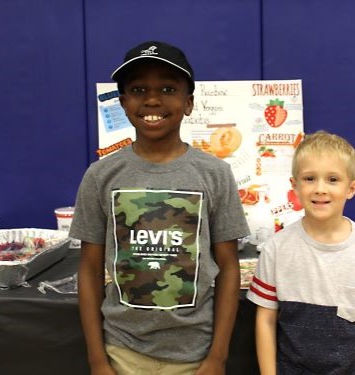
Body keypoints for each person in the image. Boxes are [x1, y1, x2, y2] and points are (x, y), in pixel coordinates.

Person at [69, 40, 250, 375]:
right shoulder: (101, 175)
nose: (152, 99)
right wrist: (97, 359)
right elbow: (89, 269)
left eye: (168, 88)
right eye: (138, 89)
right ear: (123, 103)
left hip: (195, 353)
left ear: (189, 102)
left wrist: (217, 358)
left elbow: (228, 269)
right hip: (121, 350)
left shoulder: (214, 174)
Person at [247, 130, 355, 374]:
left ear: (351, 188)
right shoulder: (276, 249)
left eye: (332, 179)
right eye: (309, 179)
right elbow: (265, 321)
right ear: (294, 185)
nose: (320, 189)